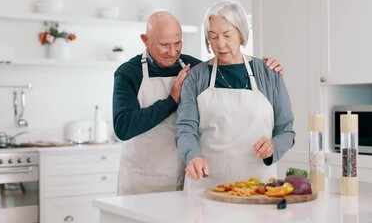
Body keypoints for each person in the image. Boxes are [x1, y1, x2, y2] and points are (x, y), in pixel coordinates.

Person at [113, 11, 284, 195]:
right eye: (164, 45)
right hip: (141, 182)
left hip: (183, 178)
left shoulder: (194, 68)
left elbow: (228, 73)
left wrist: (269, 69)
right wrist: (171, 101)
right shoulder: (128, 73)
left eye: (177, 43)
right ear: (145, 40)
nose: (172, 52)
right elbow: (124, 127)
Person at [175, 0, 295, 190]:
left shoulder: (268, 73)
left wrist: (273, 146)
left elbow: (286, 130)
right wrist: (192, 156)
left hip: (257, 186)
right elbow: (185, 129)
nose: (220, 44)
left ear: (241, 34)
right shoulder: (196, 76)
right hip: (207, 184)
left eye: (227, 35)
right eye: (213, 36)